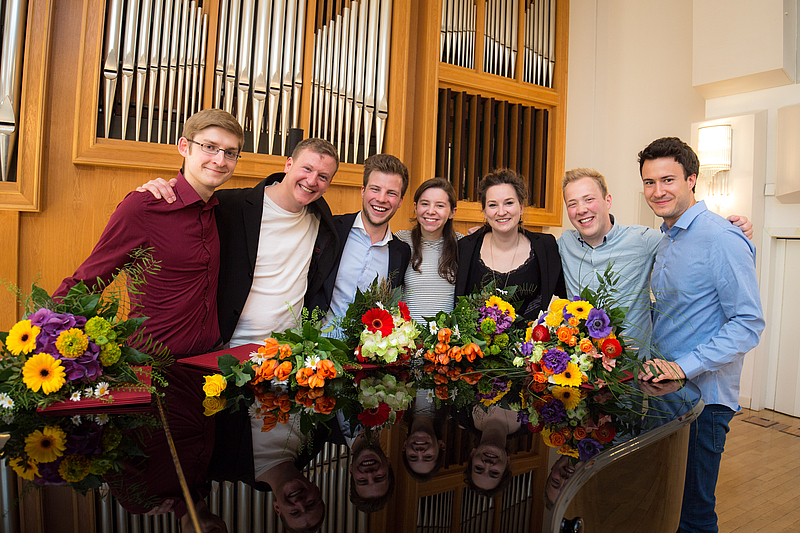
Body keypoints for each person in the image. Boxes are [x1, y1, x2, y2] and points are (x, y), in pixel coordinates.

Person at [636, 137, 764, 533]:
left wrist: (682, 367)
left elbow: (747, 323)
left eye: (668, 180)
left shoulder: (721, 237)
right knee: (666, 506)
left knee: (693, 515)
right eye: (649, 182)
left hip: (703, 402)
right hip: (665, 393)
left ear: (691, 179)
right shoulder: (666, 239)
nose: (658, 191)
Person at [55, 109, 244, 357]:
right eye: (209, 147)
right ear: (184, 147)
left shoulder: (222, 210)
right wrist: (42, 336)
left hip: (209, 359)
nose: (220, 160)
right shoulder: (144, 207)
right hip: (154, 364)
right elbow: (87, 282)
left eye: (230, 153)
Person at [138, 137, 341, 347]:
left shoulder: (322, 221)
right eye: (307, 169)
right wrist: (159, 190)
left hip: (286, 351)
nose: (312, 181)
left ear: (328, 185)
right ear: (289, 165)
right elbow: (179, 219)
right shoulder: (229, 206)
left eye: (323, 176)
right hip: (227, 346)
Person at [557, 167, 753, 354]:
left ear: (607, 201)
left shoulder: (642, 240)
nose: (581, 209)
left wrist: (729, 229)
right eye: (572, 204)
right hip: (581, 363)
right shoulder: (563, 244)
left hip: (634, 366)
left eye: (589, 199)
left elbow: (689, 242)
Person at [309, 153, 411, 318]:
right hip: (317, 332)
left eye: (391, 193)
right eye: (375, 189)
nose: (381, 199)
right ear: (363, 191)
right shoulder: (331, 229)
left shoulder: (401, 253)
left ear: (400, 201)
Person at [455, 168, 566, 320]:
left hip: (532, 335)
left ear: (521, 207)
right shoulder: (465, 248)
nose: (501, 212)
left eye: (508, 203)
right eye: (493, 205)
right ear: (485, 211)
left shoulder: (546, 247)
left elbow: (562, 298)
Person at [394, 178, 461, 324]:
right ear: (415, 207)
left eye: (440, 205)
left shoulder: (462, 246)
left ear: (452, 212)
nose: (430, 211)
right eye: (425, 204)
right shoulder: (400, 241)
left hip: (447, 336)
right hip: (406, 335)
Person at [462, 404, 519, 497]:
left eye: (479, 468)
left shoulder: (463, 413)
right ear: (507, 463)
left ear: (472, 455)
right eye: (494, 472)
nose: (488, 464)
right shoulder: (533, 423)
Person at [401, 388, 447, 482]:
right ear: (441, 445)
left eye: (413, 457)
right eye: (428, 457)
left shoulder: (394, 408)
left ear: (404, 445)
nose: (419, 451)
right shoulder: (453, 407)